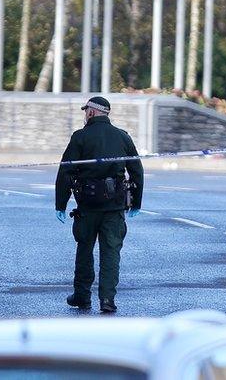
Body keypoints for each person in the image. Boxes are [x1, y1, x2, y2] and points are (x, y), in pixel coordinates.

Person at [55, 97, 144, 314]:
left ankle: (82, 296)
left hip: (87, 206)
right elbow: (137, 171)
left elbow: (66, 171)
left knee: (84, 249)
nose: (85, 115)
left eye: (86, 111)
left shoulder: (80, 137)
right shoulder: (123, 137)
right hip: (114, 207)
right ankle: (107, 299)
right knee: (111, 252)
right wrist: (136, 203)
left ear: (92, 113)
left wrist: (60, 203)